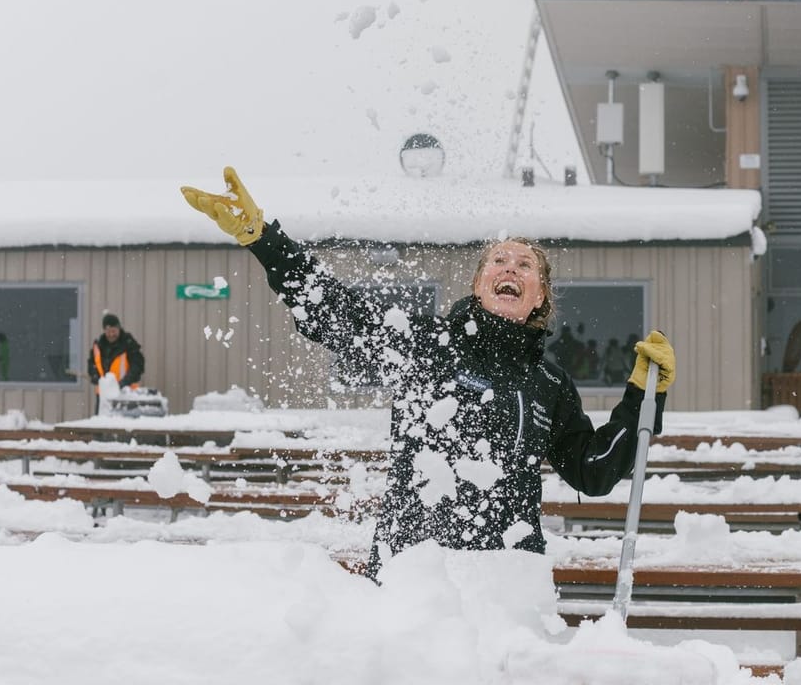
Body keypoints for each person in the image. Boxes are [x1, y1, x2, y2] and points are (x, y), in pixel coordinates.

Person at [181, 167, 677, 579]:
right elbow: (334, 311)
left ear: (540, 295)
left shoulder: (548, 386)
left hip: (506, 582)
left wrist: (641, 396)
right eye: (498, 260)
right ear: (479, 283)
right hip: (414, 576)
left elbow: (594, 471)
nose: (510, 267)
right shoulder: (425, 344)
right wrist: (264, 239)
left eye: (525, 265)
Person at [88, 314, 145, 412]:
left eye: (113, 331)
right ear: (104, 331)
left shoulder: (128, 343)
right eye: (108, 331)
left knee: (122, 425)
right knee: (101, 425)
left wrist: (124, 382)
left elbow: (138, 365)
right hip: (103, 396)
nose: (111, 334)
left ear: (119, 328)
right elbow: (92, 365)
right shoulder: (99, 346)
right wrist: (95, 376)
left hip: (126, 394)